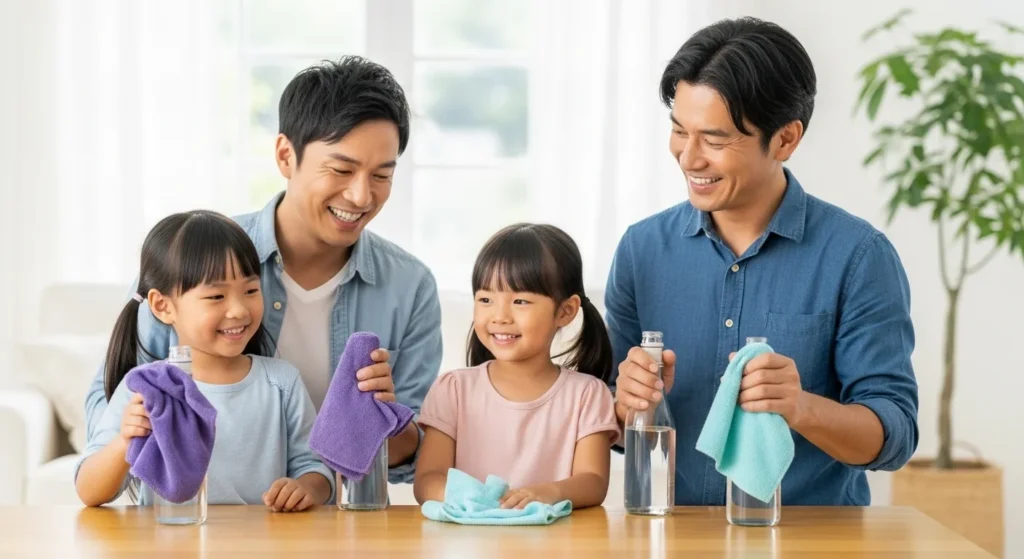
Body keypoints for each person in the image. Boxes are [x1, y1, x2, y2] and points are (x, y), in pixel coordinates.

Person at [605, 17, 919, 506]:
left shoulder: (857, 257)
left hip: (812, 541)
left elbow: (894, 436)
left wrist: (800, 407)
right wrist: (624, 407)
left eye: (714, 139)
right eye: (678, 131)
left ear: (786, 140)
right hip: (671, 537)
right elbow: (609, 428)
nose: (689, 158)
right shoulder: (641, 250)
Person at [82, 56, 442, 482]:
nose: (362, 196)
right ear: (286, 155)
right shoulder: (198, 259)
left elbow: (411, 458)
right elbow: (108, 415)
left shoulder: (410, 286)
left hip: (342, 519)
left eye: (382, 175)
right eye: (341, 169)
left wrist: (383, 418)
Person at [76, 211, 333, 511]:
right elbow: (89, 491)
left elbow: (315, 469)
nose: (238, 310)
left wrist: (305, 488)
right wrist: (125, 440)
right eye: (216, 297)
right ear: (163, 306)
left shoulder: (281, 382)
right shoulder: (146, 388)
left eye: (250, 290)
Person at [413, 224, 620, 509]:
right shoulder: (453, 390)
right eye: (486, 299)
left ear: (565, 311)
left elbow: (593, 482)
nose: (499, 316)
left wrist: (545, 493)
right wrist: (479, 501)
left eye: (520, 301)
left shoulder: (588, 395)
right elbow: (427, 480)